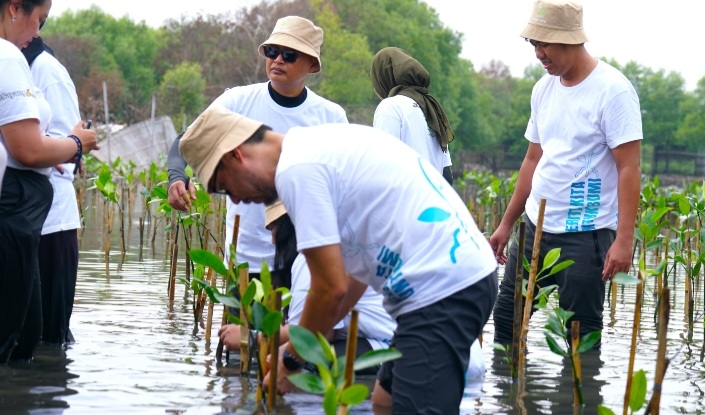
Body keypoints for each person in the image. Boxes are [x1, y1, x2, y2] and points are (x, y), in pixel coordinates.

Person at [179, 106, 498, 414]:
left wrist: (290, 361)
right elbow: (350, 283)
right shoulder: (314, 149)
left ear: (236, 155)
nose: (234, 199)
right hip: (445, 287)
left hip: (442, 289)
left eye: (222, 187)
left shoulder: (297, 170)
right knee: (383, 403)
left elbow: (328, 290)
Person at [489, 0, 642, 346]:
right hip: (534, 227)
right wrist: (506, 223)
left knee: (580, 336)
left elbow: (629, 168)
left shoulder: (613, 90)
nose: (539, 54)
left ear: (572, 40)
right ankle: (511, 399)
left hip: (585, 234)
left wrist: (624, 240)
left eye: (545, 44)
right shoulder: (543, 89)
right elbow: (532, 160)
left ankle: (576, 400)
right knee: (506, 320)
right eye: (534, 44)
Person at [166, 16, 347, 285]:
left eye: (289, 54)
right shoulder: (238, 101)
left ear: (311, 63)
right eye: (272, 52)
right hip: (244, 258)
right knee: (238, 328)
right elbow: (187, 140)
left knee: (292, 327)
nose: (278, 60)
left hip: (303, 260)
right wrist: (177, 177)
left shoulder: (330, 116)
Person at [0, 0, 98, 364]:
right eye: (38, 20)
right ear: (14, 9)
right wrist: (74, 144)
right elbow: (32, 148)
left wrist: (69, 148)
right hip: (19, 213)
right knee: (21, 336)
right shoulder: (10, 60)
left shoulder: (46, 70)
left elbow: (64, 159)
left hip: (48, 219)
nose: (38, 31)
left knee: (43, 337)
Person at [219, 201, 397, 376]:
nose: (272, 240)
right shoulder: (323, 248)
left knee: (301, 363)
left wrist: (249, 337)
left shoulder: (309, 260)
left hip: (383, 346)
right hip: (375, 340)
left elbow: (315, 335)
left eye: (274, 228)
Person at [22, 35, 82, 345]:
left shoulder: (47, 70)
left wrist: (38, 150)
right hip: (19, 220)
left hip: (51, 223)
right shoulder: (13, 66)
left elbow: (70, 150)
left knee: (50, 339)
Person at [370, 46, 454, 185]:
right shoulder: (430, 107)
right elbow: (447, 175)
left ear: (384, 79)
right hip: (432, 202)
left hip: (405, 203)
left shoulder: (390, 107)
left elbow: (382, 166)